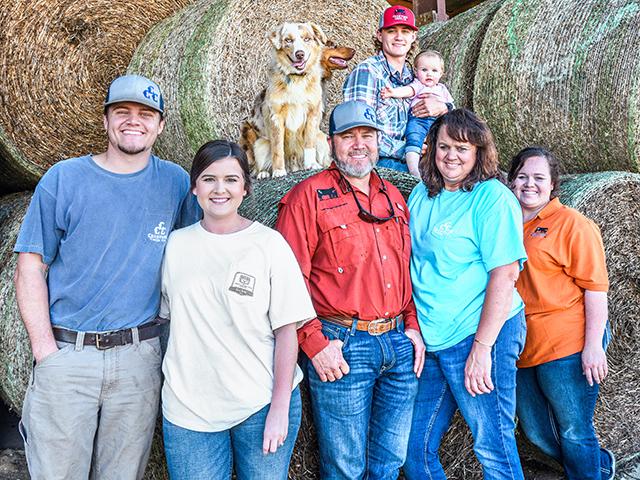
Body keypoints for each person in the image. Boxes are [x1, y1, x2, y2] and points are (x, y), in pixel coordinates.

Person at [13, 74, 199, 479]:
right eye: (123, 112)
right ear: (106, 121)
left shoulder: (177, 184)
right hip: (68, 356)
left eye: (146, 114)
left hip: (138, 360)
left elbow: (195, 257)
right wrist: (46, 352)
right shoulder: (64, 179)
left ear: (161, 125)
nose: (134, 121)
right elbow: (30, 265)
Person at [275, 100, 426, 479]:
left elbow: (406, 269)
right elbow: (286, 280)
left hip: (397, 343)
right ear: (331, 143)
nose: (359, 144)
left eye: (367, 135)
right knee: (345, 467)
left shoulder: (394, 197)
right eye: (348, 136)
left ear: (379, 140)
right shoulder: (306, 197)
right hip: (341, 344)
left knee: (389, 462)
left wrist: (412, 327)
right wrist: (315, 344)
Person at [159, 140, 315, 479]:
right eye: (209, 179)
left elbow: (287, 332)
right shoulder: (175, 246)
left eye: (231, 179)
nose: (220, 189)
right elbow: (165, 317)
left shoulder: (269, 245)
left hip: (259, 403)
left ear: (245, 187)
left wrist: (279, 407)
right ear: (194, 187)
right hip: (189, 410)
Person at [404, 108, 527, 480]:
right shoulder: (422, 194)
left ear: (478, 153)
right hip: (432, 339)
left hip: (479, 334)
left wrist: (483, 348)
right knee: (413, 447)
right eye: (443, 147)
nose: (451, 156)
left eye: (462, 148)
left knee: (493, 445)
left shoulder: (491, 198)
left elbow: (505, 275)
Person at [507, 146, 615, 480]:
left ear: (553, 183)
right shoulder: (503, 222)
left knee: (573, 428)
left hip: (566, 342)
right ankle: (599, 465)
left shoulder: (572, 224)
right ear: (511, 181)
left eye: (539, 177)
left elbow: (596, 288)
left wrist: (593, 346)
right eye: (522, 176)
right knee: (538, 433)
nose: (529, 184)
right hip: (522, 346)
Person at [343, 5, 453, 173]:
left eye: (405, 31)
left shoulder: (415, 77)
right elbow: (359, 132)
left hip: (419, 156)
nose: (399, 37)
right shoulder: (368, 72)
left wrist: (445, 107)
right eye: (392, 30)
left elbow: (456, 117)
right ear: (380, 35)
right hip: (381, 162)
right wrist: (408, 149)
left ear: (413, 36)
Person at [380, 50, 454, 177]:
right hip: (418, 120)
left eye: (434, 71)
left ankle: (440, 170)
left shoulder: (442, 89)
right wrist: (392, 93)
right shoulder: (418, 85)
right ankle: (414, 170)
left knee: (443, 143)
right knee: (414, 141)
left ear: (441, 73)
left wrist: (446, 107)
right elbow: (407, 91)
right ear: (416, 72)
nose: (429, 74)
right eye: (424, 70)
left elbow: (452, 107)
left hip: (439, 122)